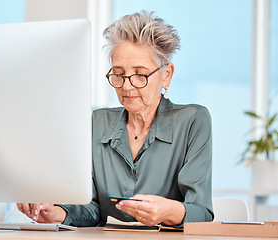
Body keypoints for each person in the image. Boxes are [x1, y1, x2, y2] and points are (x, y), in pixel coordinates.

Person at [17, 10, 213, 227]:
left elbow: (202, 212)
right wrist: (56, 214)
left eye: (140, 74)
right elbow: (93, 210)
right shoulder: (98, 122)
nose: (127, 86)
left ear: (166, 75)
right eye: (118, 74)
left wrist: (169, 211)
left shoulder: (193, 121)